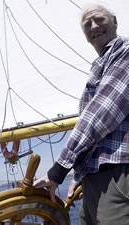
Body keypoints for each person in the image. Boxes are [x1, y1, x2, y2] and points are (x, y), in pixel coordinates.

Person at [34, 4, 129, 225]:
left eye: (99, 20)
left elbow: (100, 114)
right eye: (87, 24)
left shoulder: (125, 51)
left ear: (115, 22)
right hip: (95, 178)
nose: (94, 26)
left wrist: (59, 170)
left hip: (117, 175)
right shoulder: (102, 63)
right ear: (86, 36)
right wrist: (80, 174)